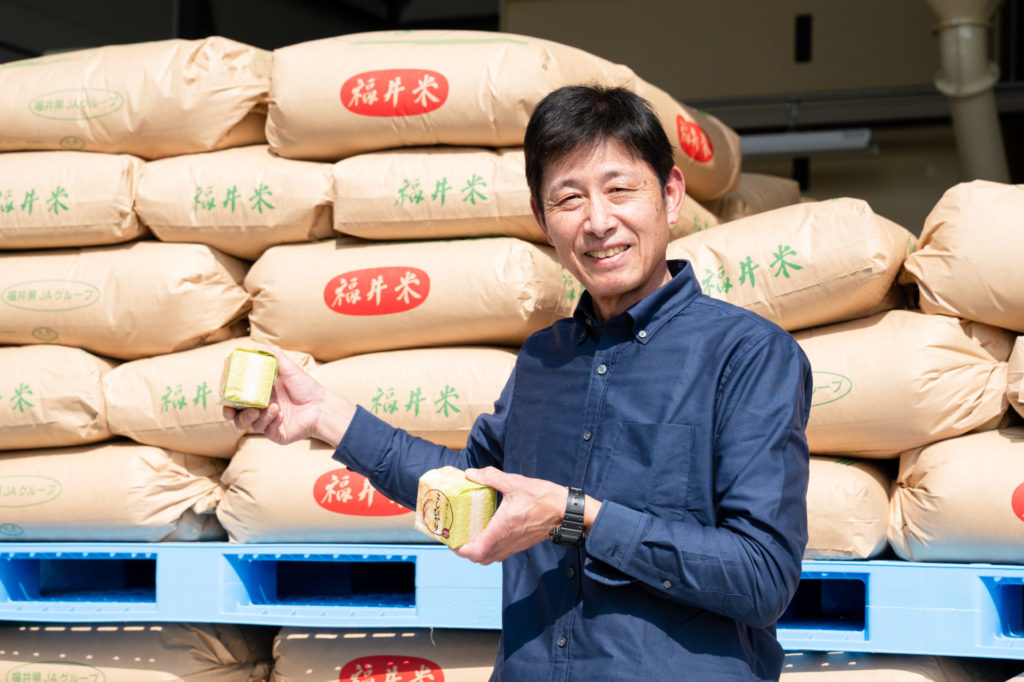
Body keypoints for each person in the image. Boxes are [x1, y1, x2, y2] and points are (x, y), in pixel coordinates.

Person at [226, 85, 812, 681]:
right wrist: (325, 416)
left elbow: (763, 577)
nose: (598, 221)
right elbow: (468, 485)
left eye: (619, 189)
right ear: (542, 219)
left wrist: (577, 516)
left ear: (670, 194)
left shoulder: (749, 356)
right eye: (569, 198)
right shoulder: (544, 358)